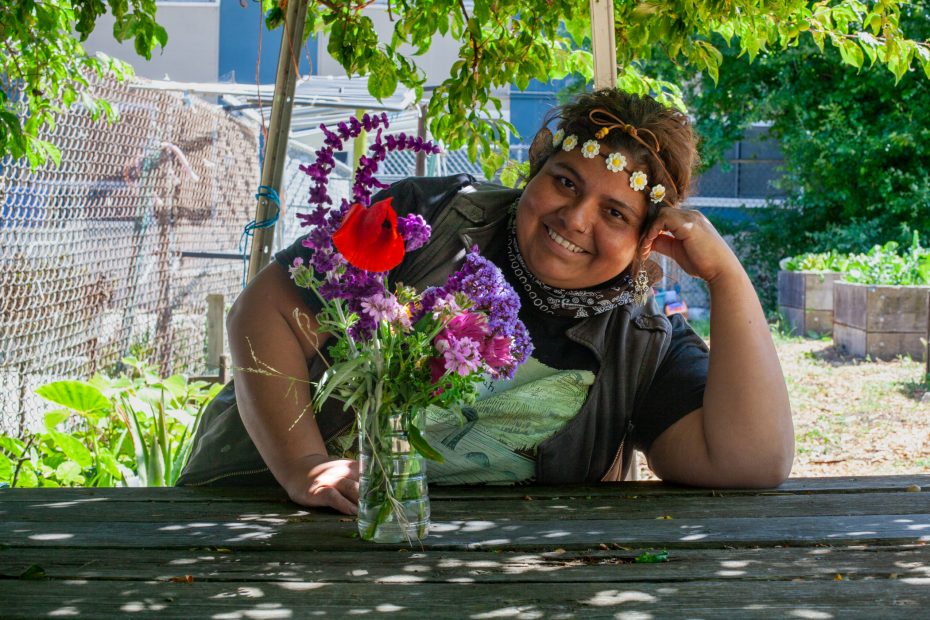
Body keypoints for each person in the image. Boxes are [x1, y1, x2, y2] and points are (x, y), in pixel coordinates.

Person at [177, 89, 794, 515]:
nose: (575, 219)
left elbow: (752, 461)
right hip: (253, 511)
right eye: (564, 182)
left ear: (647, 240)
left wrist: (727, 277)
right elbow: (264, 311)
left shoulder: (641, 346)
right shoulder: (430, 220)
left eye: (614, 212)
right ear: (534, 171)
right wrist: (307, 466)